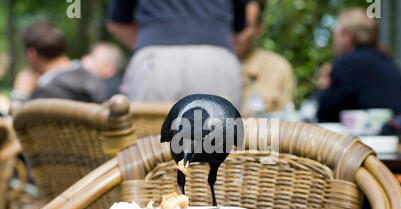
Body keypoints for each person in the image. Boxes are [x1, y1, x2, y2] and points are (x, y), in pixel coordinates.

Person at [106, 0, 245, 109]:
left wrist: (152, 42)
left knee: (146, 142)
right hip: (216, 59)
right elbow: (243, 24)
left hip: (154, 61)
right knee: (219, 143)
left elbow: (118, 23)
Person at [316, 8, 401, 123]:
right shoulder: (387, 60)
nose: (334, 40)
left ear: (347, 37)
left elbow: (325, 115)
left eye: (336, 34)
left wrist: (324, 88)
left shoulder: (346, 64)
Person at [11, 21, 107, 103]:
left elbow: (20, 123)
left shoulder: (46, 93)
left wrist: (20, 96)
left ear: (32, 53)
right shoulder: (93, 79)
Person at [235, 0, 296, 117]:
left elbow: (289, 119)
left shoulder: (279, 68)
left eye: (243, 25)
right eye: (233, 23)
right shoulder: (206, 67)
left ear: (259, 28)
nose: (236, 32)